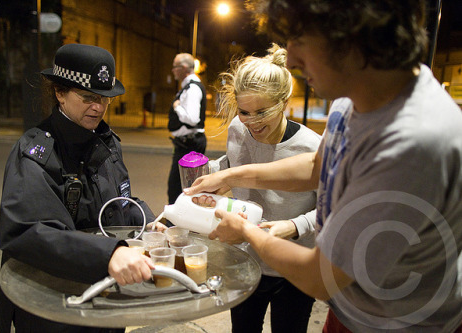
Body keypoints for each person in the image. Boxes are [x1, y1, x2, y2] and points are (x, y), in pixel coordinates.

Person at [185, 0, 462, 332]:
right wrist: (232, 173)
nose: (290, 59)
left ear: (352, 36)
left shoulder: (412, 144)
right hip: (354, 311)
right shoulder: (354, 98)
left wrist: (245, 231)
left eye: (299, 40)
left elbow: (321, 277)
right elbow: (319, 167)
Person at [0, 43, 156, 333]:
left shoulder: (106, 141)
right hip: (54, 307)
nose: (99, 107)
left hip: (104, 299)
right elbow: (28, 232)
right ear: (59, 93)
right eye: (88, 97)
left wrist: (153, 221)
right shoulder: (36, 151)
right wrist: (108, 254)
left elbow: (118, 201)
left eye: (105, 99)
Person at [207, 44, 320, 332]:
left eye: (262, 112)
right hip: (245, 261)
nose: (252, 122)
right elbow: (233, 163)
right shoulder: (237, 128)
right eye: (244, 111)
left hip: (293, 267)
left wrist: (294, 226)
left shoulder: (311, 148)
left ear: (284, 102)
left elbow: (332, 210)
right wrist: (210, 175)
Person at [167, 53, 207, 204]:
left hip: (189, 143)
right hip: (187, 143)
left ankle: (177, 223)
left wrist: (177, 107)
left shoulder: (192, 89)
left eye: (175, 67)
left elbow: (192, 119)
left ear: (184, 68)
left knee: (179, 189)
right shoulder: (188, 87)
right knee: (181, 188)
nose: (173, 70)